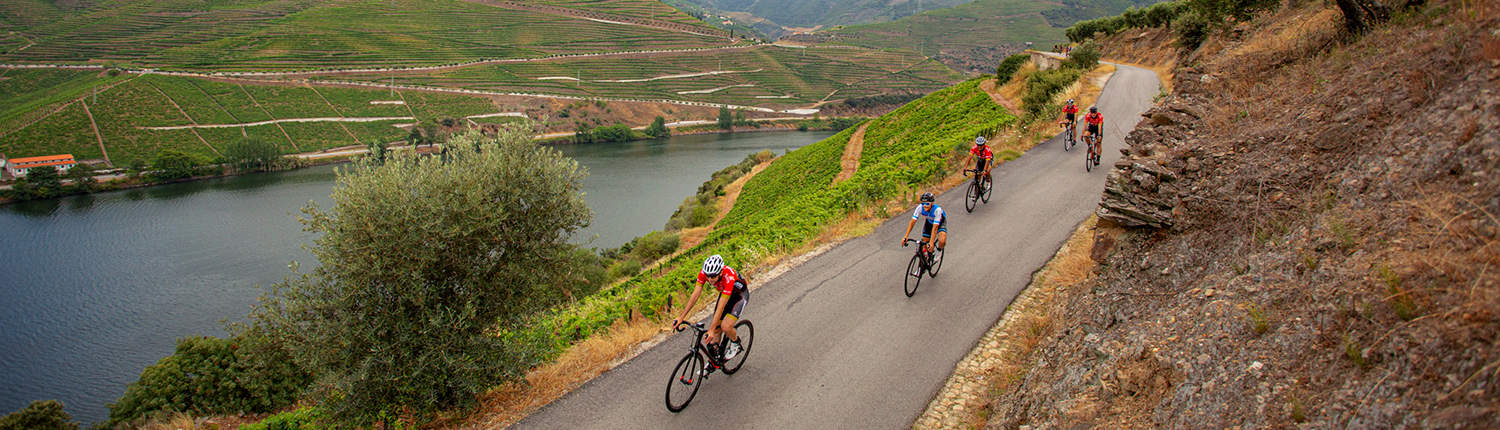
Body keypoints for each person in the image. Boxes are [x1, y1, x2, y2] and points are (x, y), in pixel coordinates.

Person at [673, 255, 747, 361]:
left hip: (739, 296)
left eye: (713, 276)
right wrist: (681, 317)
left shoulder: (729, 277)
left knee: (725, 327)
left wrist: (711, 330)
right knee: (716, 329)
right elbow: (696, 294)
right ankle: (715, 360)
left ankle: (736, 343)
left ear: (720, 272)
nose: (709, 279)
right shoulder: (705, 273)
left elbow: (721, 307)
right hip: (725, 294)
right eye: (708, 276)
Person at [900, 192, 947, 256]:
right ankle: (926, 258)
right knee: (924, 244)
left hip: (940, 223)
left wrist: (931, 242)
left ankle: (939, 251)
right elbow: (912, 222)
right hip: (929, 222)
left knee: (942, 240)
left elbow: (935, 228)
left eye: (927, 203)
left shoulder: (937, 210)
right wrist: (906, 236)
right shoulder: (920, 207)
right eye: (923, 203)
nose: (925, 205)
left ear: (932, 203)